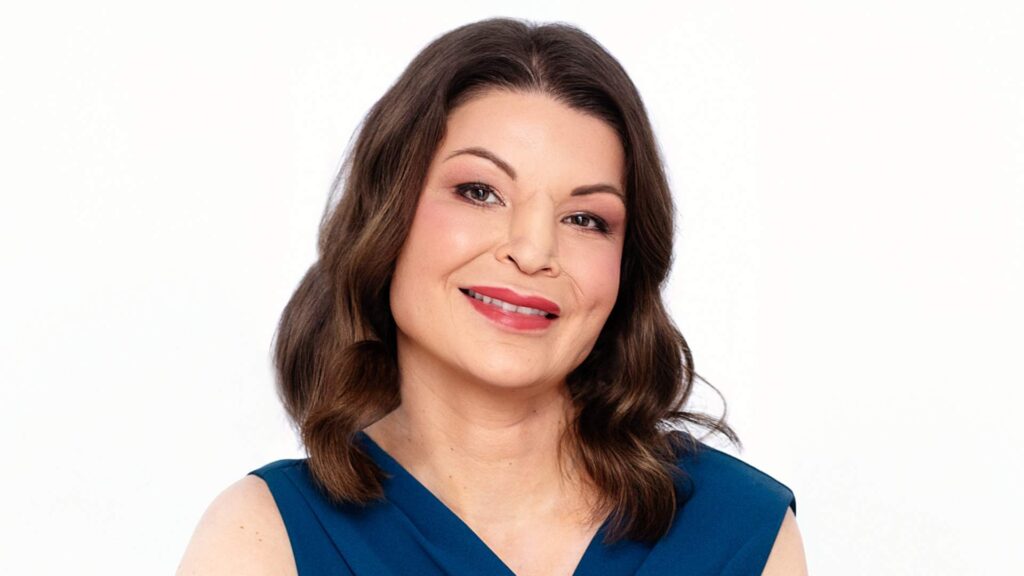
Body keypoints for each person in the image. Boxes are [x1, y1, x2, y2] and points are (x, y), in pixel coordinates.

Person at [177, 17, 807, 576]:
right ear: (386, 215)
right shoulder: (264, 539)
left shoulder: (740, 533)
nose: (532, 251)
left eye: (585, 219)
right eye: (480, 192)